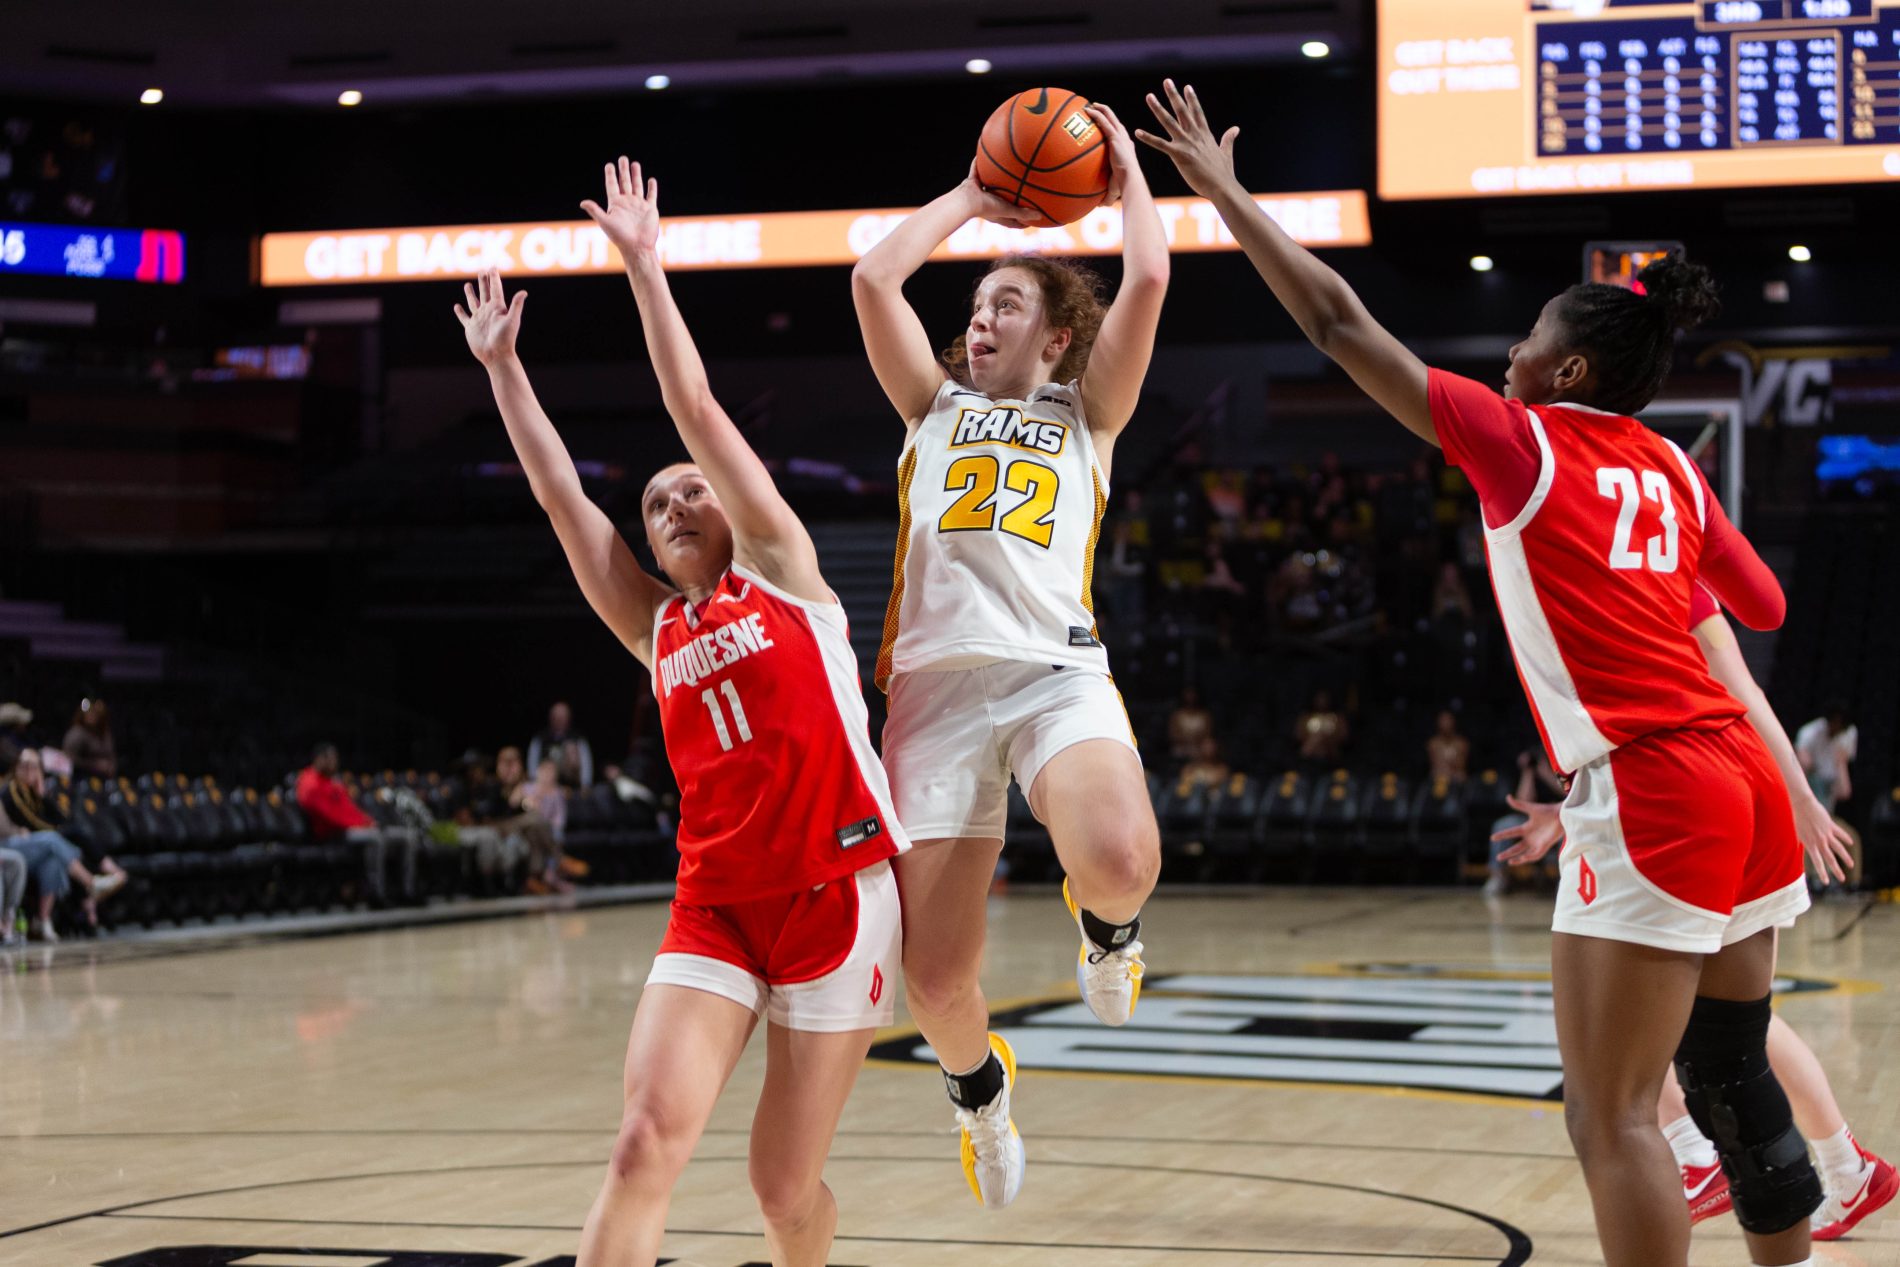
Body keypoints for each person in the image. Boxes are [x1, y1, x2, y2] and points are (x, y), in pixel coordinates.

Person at [1139, 79, 1817, 1266]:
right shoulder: (1674, 463)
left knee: (1608, 1113)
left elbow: (1342, 328)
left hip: (1657, 785)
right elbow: (1760, 603)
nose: (1510, 350)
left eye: (1530, 339)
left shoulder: (1525, 444)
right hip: (1743, 773)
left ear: (1566, 376)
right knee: (1729, 1070)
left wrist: (1229, 196)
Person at [458, 156, 907, 1267]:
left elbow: (692, 406)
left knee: (779, 1186)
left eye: (687, 487)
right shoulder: (654, 626)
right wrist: (504, 370)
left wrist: (644, 264)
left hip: (833, 895)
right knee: (641, 1145)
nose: (670, 503)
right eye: (655, 502)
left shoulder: (785, 570)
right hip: (714, 903)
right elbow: (565, 501)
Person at [851, 98, 1167, 1207]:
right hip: (932, 698)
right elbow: (870, 281)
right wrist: (970, 202)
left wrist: (1127, 179)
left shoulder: (1090, 415)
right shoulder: (927, 408)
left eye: (1006, 305)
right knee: (934, 980)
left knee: (1125, 856)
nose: (979, 322)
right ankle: (979, 1094)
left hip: (1051, 670)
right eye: (977, 305)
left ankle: (1108, 927)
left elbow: (1151, 282)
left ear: (1057, 336)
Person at [1494, 583, 1893, 1242]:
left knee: (1633, 1033)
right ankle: (1846, 1166)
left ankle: (1702, 1152)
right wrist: (1572, 810)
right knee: (1723, 1028)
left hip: (1706, 798)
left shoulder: (1648, 567)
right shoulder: (1640, 564)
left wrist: (1803, 798)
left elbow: (1736, 690)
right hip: (1714, 789)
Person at [1, 748, 123, 941]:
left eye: (33, 766)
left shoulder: (34, 793)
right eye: (24, 766)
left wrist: (43, 796)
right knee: (54, 840)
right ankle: (91, 883)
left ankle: (43, 919)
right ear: (16, 767)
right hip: (11, 844)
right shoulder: (11, 790)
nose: (28, 770)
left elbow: (61, 819)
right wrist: (47, 833)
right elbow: (33, 823)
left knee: (54, 858)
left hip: (32, 846)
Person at [294, 743, 422, 906]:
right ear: (320, 759)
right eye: (332, 759)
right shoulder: (309, 783)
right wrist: (362, 826)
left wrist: (368, 821)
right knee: (375, 838)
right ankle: (376, 894)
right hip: (331, 833)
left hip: (352, 828)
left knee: (408, 836)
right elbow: (328, 817)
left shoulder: (333, 781)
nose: (335, 763)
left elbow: (350, 809)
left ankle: (407, 891)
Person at [1794, 704, 1855, 817]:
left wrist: (1840, 762)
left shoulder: (1849, 734)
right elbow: (1800, 757)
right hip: (1811, 779)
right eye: (1835, 722)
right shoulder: (1810, 732)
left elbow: (1844, 792)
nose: (1837, 728)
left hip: (1830, 787)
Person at [529, 701, 595, 790]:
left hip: (572, 787)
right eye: (556, 716)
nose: (559, 719)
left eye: (562, 716)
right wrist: (534, 783)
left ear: (569, 718)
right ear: (550, 717)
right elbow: (532, 762)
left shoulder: (577, 738)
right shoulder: (540, 738)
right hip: (545, 786)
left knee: (571, 749)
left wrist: (586, 785)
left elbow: (586, 763)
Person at [61, 698, 117, 780]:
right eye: (89, 712)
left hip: (104, 778)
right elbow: (69, 759)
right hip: (80, 778)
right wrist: (95, 765)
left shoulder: (104, 732)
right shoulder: (77, 733)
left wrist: (112, 765)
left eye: (95, 713)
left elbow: (111, 754)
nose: (92, 716)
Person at [1294, 689, 1349, 765]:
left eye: (1324, 699)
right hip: (1309, 754)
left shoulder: (1337, 718)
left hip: (1331, 755)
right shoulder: (1305, 717)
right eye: (1319, 698)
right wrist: (1314, 739)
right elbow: (1299, 736)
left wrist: (1326, 737)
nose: (1322, 701)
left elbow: (1344, 736)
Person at [1167, 685, 1214, 763]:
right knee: (1177, 751)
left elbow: (1208, 733)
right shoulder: (1177, 715)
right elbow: (1172, 734)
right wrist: (1185, 740)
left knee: (1207, 748)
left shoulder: (1205, 715)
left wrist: (1197, 741)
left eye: (1193, 694)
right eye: (1188, 694)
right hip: (1181, 746)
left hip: (1199, 746)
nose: (1190, 698)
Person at [1425, 710, 1469, 783]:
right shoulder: (1433, 743)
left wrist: (1450, 769)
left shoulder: (1461, 743)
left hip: (1456, 777)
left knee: (1461, 776)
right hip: (1439, 776)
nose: (1445, 723)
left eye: (1448, 720)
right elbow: (1435, 764)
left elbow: (1461, 765)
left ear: (1453, 722)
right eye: (1443, 720)